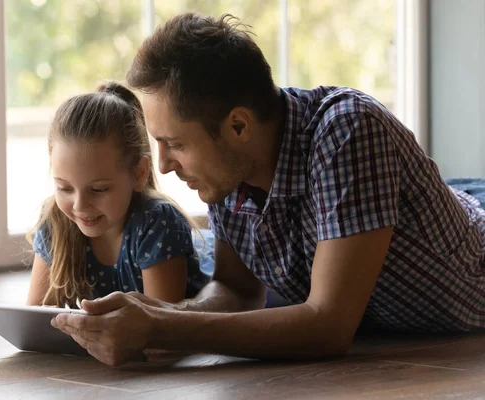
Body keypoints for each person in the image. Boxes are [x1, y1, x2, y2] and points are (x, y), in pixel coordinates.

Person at [51, 13, 485, 366]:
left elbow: (328, 326)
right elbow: (236, 290)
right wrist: (156, 312)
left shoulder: (349, 129)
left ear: (238, 125)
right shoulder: (226, 173)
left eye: (176, 144)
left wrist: (165, 328)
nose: (162, 165)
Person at [25, 81, 210, 308]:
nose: (80, 205)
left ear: (140, 173)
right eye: (65, 188)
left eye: (99, 189)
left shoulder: (157, 222)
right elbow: (35, 320)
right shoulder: (55, 220)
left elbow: (161, 328)